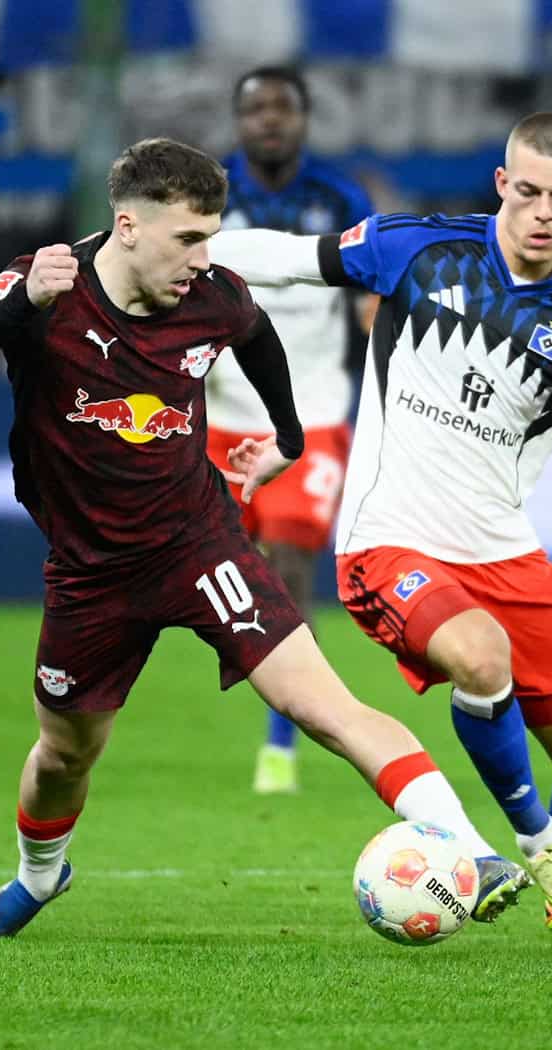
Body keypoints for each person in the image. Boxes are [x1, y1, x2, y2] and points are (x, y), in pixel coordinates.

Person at [0, 137, 528, 942]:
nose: (203, 258)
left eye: (212, 236)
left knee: (324, 707)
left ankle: (470, 851)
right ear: (128, 226)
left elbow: (256, 335)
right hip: (89, 573)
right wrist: (19, 303)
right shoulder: (48, 283)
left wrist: (286, 436)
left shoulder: (212, 295)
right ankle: (37, 879)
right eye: (188, 238)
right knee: (64, 755)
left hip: (198, 544)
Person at [211, 113, 552, 936]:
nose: (540, 212)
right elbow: (289, 261)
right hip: (389, 538)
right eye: (526, 191)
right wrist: (169, 248)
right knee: (479, 654)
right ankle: (536, 845)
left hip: (505, 551)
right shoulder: (419, 250)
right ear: (503, 183)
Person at [209, 66, 376, 796]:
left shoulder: (341, 198)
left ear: (305, 119)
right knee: (214, 571)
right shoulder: (207, 195)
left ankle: (281, 744)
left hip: (311, 414)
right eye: (255, 109)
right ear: (239, 121)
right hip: (216, 415)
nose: (269, 120)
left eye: (283, 108)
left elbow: (375, 301)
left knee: (287, 569)